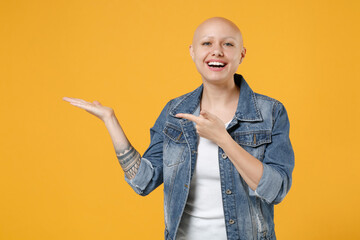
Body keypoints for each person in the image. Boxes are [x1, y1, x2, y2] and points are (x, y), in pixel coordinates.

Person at [63, 17, 294, 240]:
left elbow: (276, 189)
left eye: (228, 44)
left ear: (241, 54)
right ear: (192, 52)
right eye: (207, 43)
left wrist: (223, 139)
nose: (217, 51)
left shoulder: (270, 112)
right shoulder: (175, 111)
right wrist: (110, 120)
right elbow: (143, 182)